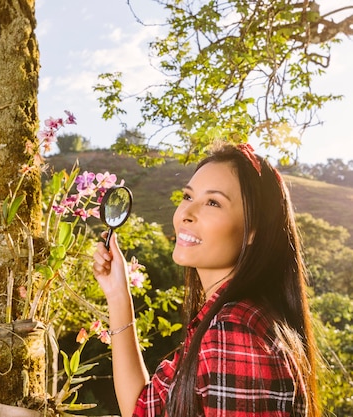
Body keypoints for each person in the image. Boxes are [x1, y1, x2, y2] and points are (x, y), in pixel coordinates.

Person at [92, 143, 320, 417]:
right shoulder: (220, 322)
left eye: (213, 202)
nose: (186, 214)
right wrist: (117, 294)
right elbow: (143, 409)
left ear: (253, 230)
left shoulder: (234, 333)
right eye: (188, 197)